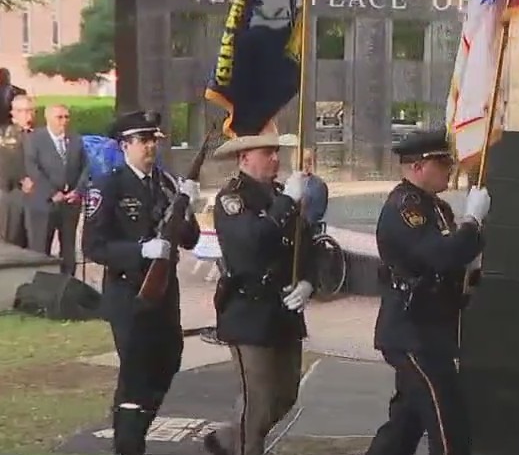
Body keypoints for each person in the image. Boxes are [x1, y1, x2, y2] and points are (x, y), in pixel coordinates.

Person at [365, 130, 492, 455]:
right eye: (442, 162)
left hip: (430, 328)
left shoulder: (435, 207)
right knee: (448, 419)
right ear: (418, 166)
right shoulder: (406, 208)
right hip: (412, 333)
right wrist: (473, 221)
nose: (450, 168)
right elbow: (442, 255)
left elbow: (453, 262)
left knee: (404, 427)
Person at [82, 111, 201, 455]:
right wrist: (139, 250)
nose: (150, 147)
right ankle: (128, 444)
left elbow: (190, 239)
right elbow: (94, 246)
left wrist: (187, 207)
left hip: (164, 292)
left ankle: (133, 422)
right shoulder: (108, 185)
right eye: (142, 140)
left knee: (169, 358)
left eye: (153, 140)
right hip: (128, 291)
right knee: (136, 369)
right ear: (125, 146)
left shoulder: (166, 184)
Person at [201, 131, 318, 455]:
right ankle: (245, 447)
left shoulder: (281, 195)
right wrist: (286, 203)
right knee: (258, 403)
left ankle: (227, 441)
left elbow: (306, 245)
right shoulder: (232, 199)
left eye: (276, 152)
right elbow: (253, 242)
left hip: (283, 311)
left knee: (285, 396)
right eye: (267, 153)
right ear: (245, 158)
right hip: (249, 311)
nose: (276, 159)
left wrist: (308, 281)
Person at [24, 103, 89, 273]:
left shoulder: (75, 139)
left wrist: (78, 191)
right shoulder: (35, 139)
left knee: (68, 250)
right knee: (41, 250)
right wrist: (52, 193)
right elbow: (33, 168)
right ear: (48, 118)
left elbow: (86, 167)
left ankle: (68, 286)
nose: (64, 121)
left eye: (67, 117)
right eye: (59, 117)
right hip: (45, 204)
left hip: (70, 203)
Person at [0, 94, 34, 247]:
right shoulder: (4, 134)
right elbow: (7, 162)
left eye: (29, 111)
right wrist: (22, 178)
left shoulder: (38, 135)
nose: (27, 115)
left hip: (35, 194)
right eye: (21, 111)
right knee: (11, 238)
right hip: (11, 191)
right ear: (13, 113)